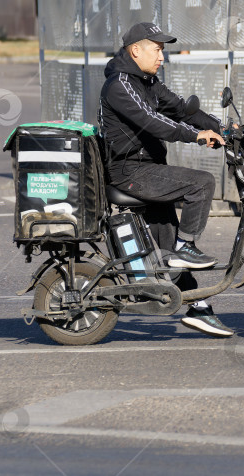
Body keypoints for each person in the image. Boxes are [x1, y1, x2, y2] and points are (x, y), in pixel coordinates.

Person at [99, 22, 233, 338]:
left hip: (148, 170)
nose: (162, 56)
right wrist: (197, 136)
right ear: (136, 50)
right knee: (201, 183)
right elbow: (153, 121)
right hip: (130, 173)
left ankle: (198, 309)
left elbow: (182, 110)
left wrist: (222, 129)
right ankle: (188, 247)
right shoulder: (121, 85)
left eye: (163, 50)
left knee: (166, 251)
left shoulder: (147, 81)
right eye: (157, 49)